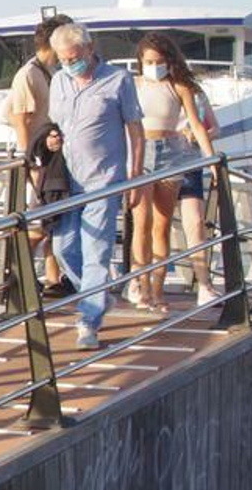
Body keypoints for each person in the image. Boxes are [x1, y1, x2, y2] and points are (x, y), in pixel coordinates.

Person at [47, 23, 144, 349]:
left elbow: (135, 130)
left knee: (95, 252)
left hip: (105, 179)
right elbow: (54, 125)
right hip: (68, 182)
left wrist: (135, 175)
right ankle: (98, 295)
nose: (69, 63)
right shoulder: (59, 81)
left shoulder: (118, 80)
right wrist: (49, 140)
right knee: (63, 248)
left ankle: (88, 321)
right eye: (62, 58)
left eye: (74, 57)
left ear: (90, 49)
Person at [128, 33, 216, 312]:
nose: (154, 66)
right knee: (140, 223)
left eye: (159, 61)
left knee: (161, 225)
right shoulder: (132, 84)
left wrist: (212, 160)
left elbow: (198, 124)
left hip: (171, 151)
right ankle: (141, 285)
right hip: (141, 151)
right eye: (149, 61)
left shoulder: (179, 85)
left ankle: (157, 290)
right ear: (140, 61)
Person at [7, 13, 74, 296]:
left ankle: (53, 277)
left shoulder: (55, 73)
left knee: (53, 220)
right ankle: (18, 275)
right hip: (38, 158)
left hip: (54, 156)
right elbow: (20, 117)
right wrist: (30, 161)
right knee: (38, 221)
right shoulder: (28, 74)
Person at [178, 84, 222, 303]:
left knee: (196, 222)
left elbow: (214, 127)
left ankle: (204, 285)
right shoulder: (149, 87)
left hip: (191, 162)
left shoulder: (196, 93)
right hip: (160, 161)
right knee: (154, 225)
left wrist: (199, 135)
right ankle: (142, 283)